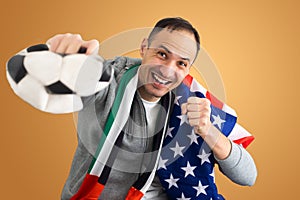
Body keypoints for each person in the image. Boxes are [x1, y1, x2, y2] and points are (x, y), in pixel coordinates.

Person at [8, 17, 257, 199]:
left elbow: (248, 177)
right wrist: (60, 57)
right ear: (143, 47)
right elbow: (68, 78)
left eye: (181, 63)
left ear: (188, 68)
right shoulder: (108, 81)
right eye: (161, 54)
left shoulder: (194, 100)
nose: (168, 70)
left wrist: (208, 130)